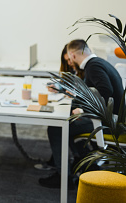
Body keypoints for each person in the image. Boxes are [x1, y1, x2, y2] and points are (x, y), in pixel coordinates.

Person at [38, 39, 124, 189]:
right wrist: (62, 89)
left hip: (108, 123)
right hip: (112, 119)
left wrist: (84, 111)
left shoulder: (93, 67)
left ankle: (63, 177)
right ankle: (86, 165)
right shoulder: (98, 63)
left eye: (69, 59)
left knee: (57, 128)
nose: (70, 62)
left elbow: (106, 93)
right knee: (68, 124)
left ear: (71, 55)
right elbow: (90, 91)